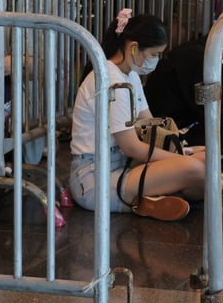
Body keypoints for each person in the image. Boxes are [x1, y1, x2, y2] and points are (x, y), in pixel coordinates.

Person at [69, 11, 205, 220]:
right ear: (134, 47)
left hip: (126, 166)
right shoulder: (112, 81)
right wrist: (180, 158)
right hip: (96, 179)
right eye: (154, 54)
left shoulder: (130, 75)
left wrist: (183, 150)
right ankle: (149, 198)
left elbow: (148, 126)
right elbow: (132, 147)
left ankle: (153, 197)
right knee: (195, 168)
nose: (156, 61)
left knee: (205, 158)